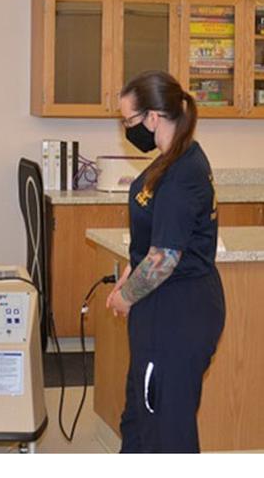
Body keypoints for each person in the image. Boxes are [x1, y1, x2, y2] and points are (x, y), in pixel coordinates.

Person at [106, 70, 225, 453]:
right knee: (140, 420)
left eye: (129, 121)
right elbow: (155, 239)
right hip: (161, 309)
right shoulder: (173, 158)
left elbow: (165, 258)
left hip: (178, 312)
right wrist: (130, 270)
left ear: (153, 118)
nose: (127, 129)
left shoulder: (181, 175)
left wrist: (125, 297)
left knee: (167, 431)